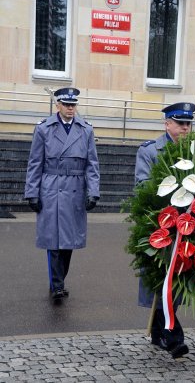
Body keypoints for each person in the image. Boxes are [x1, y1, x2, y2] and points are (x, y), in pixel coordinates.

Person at [25, 87, 100, 301]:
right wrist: (32, 192)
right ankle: (57, 284)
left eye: (73, 105)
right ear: (57, 105)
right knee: (54, 241)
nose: (70, 108)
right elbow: (35, 163)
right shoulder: (44, 129)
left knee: (69, 243)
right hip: (51, 188)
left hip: (76, 189)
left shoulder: (85, 129)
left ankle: (59, 279)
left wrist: (93, 192)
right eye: (66, 104)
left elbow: (92, 165)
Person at [135, 102, 195, 359]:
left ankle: (161, 332)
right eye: (179, 123)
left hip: (189, 227)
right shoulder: (150, 151)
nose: (184, 128)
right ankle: (172, 337)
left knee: (177, 280)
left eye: (188, 123)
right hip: (160, 224)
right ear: (167, 124)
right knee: (162, 279)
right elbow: (143, 186)